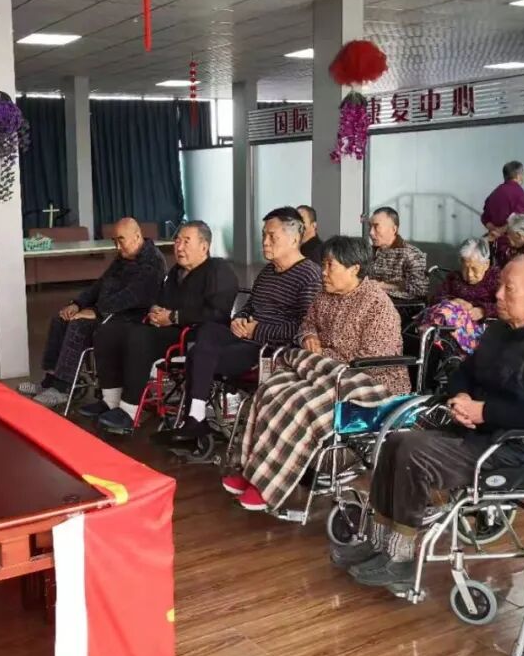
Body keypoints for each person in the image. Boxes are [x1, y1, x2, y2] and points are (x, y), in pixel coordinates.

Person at [331, 255, 524, 588]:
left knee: (412, 450)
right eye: (500, 287)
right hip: (477, 432)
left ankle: (401, 557)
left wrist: (485, 411)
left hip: (520, 447)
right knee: (393, 439)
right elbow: (463, 372)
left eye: (509, 288)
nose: (497, 295)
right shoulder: (499, 330)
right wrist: (461, 398)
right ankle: (378, 543)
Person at [222, 236, 411, 512]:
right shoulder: (325, 295)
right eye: (323, 264)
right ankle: (250, 469)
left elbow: (370, 362)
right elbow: (307, 324)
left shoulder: (377, 306)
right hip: (325, 370)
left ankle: (267, 485)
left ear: (354, 268)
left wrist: (324, 357)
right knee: (272, 389)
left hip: (369, 384)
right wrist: (309, 337)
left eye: (330, 265)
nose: (323, 272)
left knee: (301, 405)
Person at [154, 207, 322, 446]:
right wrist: (238, 320)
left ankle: (195, 420)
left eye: (272, 236)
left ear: (294, 239)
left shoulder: (309, 275)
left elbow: (305, 328)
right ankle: (196, 418)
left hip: (270, 348)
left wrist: (257, 330)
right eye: (263, 235)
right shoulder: (268, 271)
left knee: (200, 355)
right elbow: (249, 306)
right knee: (208, 331)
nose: (265, 242)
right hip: (246, 337)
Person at [82, 221, 238, 434]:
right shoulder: (176, 272)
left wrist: (174, 317)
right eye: (177, 241)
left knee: (139, 337)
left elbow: (218, 312)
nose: (179, 247)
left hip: (195, 336)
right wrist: (155, 310)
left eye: (186, 241)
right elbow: (160, 299)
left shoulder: (219, 270)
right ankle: (110, 401)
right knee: (108, 331)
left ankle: (129, 411)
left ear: (204, 246)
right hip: (167, 330)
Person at [22, 217, 166, 408]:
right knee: (61, 319)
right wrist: (77, 304)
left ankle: (63, 388)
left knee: (79, 325)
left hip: (128, 318)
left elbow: (131, 297)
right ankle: (50, 380)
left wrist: (97, 312)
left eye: (121, 240)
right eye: (114, 241)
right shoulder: (124, 256)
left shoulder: (152, 263)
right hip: (108, 311)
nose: (117, 246)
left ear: (137, 236)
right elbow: (100, 285)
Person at [421, 237, 500, 354]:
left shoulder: (497, 279)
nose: (470, 274)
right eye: (465, 268)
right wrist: (455, 301)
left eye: (474, 269)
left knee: (444, 326)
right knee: (442, 316)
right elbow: (436, 298)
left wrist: (483, 310)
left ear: (486, 264)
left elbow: (507, 306)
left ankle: (451, 358)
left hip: (483, 331)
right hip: (447, 327)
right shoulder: (454, 278)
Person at [368, 207, 428, 301]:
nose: (371, 232)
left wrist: (383, 286)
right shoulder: (368, 252)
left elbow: (419, 290)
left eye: (376, 227)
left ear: (394, 229)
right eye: (370, 226)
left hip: (399, 305)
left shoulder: (411, 254)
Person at [481, 160, 524, 241]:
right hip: (512, 241)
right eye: (522, 174)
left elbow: (484, 218)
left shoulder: (495, 192)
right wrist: (501, 231)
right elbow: (519, 220)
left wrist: (495, 230)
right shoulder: (519, 192)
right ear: (518, 176)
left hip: (494, 240)